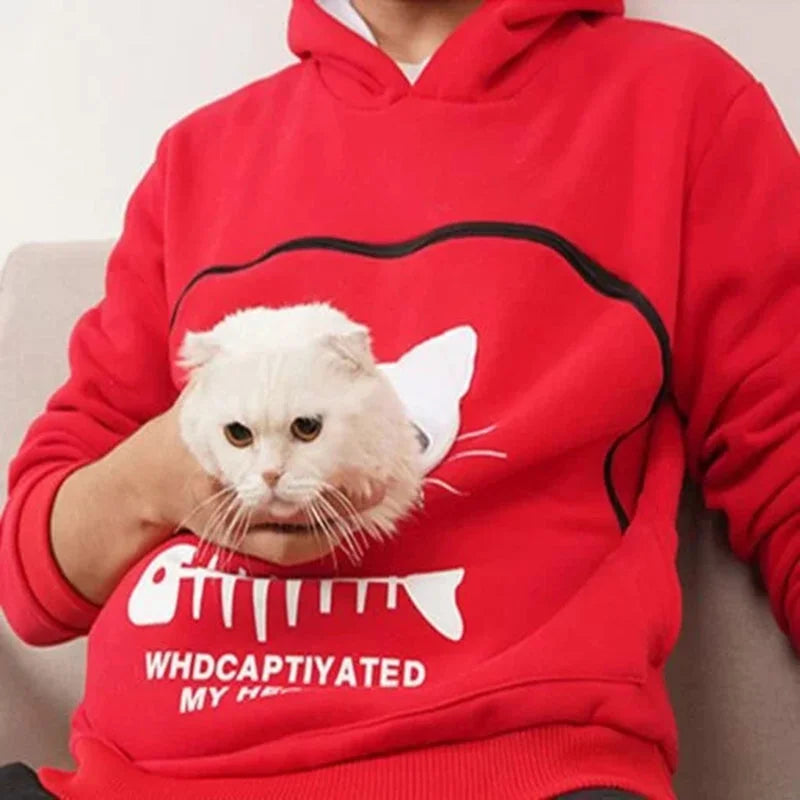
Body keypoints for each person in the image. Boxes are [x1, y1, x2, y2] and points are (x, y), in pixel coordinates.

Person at [1, 0, 798, 798]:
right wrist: (163, 477)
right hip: (135, 780)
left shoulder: (683, 109)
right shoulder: (197, 160)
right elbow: (31, 582)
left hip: (512, 774)